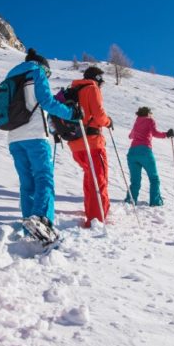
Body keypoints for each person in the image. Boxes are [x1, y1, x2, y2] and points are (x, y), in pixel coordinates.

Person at [5, 48, 80, 243]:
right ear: (43, 67)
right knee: (44, 178)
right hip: (35, 137)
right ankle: (43, 222)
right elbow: (46, 102)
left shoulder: (11, 75)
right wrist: (71, 114)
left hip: (14, 138)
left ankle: (30, 223)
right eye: (48, 73)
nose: (47, 76)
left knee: (27, 182)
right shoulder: (36, 72)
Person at [67, 66, 113, 227]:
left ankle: (91, 211)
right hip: (92, 142)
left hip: (75, 143)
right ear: (98, 78)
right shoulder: (91, 88)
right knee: (99, 179)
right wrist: (108, 122)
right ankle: (96, 217)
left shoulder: (74, 90)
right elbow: (99, 116)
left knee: (89, 177)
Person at [125, 106, 174, 206]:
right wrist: (167, 134)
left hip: (132, 153)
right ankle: (155, 202)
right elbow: (155, 133)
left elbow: (131, 136)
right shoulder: (150, 120)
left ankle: (130, 200)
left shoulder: (137, 122)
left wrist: (135, 134)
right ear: (148, 113)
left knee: (135, 180)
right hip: (145, 152)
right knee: (154, 178)